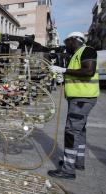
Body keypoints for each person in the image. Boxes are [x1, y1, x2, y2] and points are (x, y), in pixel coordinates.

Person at [48, 32, 99, 180]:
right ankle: (78, 162)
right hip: (80, 98)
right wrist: (63, 77)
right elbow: (77, 74)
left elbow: (89, 71)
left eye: (67, 42)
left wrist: (64, 70)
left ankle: (68, 170)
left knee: (71, 132)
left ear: (75, 40)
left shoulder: (87, 50)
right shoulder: (76, 55)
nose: (66, 45)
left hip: (82, 99)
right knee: (79, 131)